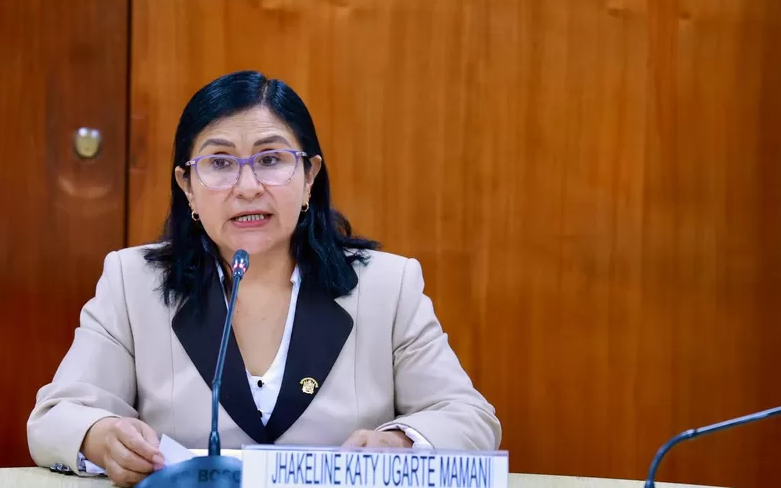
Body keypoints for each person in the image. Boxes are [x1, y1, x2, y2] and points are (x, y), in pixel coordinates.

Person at [26, 71, 501, 486]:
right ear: (187, 186)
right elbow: (55, 417)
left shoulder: (386, 287)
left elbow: (469, 419)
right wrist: (100, 437)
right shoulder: (133, 284)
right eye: (219, 163)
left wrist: (402, 443)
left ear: (309, 176)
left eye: (271, 160)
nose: (248, 187)